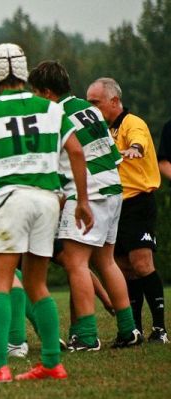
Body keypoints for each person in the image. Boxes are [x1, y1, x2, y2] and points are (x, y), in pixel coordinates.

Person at [0, 43, 93, 383]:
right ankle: (51, 363)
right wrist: (82, 200)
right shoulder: (51, 108)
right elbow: (76, 151)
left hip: (10, 199)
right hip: (48, 200)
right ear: (24, 70)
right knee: (37, 284)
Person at [28, 61, 142, 350]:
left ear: (48, 92)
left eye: (37, 93)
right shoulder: (88, 107)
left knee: (76, 262)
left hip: (88, 191)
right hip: (114, 187)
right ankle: (129, 329)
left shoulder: (56, 113)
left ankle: (88, 336)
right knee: (106, 261)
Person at [87, 77, 168, 343]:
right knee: (122, 266)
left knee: (142, 263)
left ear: (114, 101)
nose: (92, 108)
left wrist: (134, 149)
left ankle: (160, 329)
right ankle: (134, 329)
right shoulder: (102, 130)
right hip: (114, 204)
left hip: (138, 202)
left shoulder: (132, 123)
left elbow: (138, 140)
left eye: (95, 103)